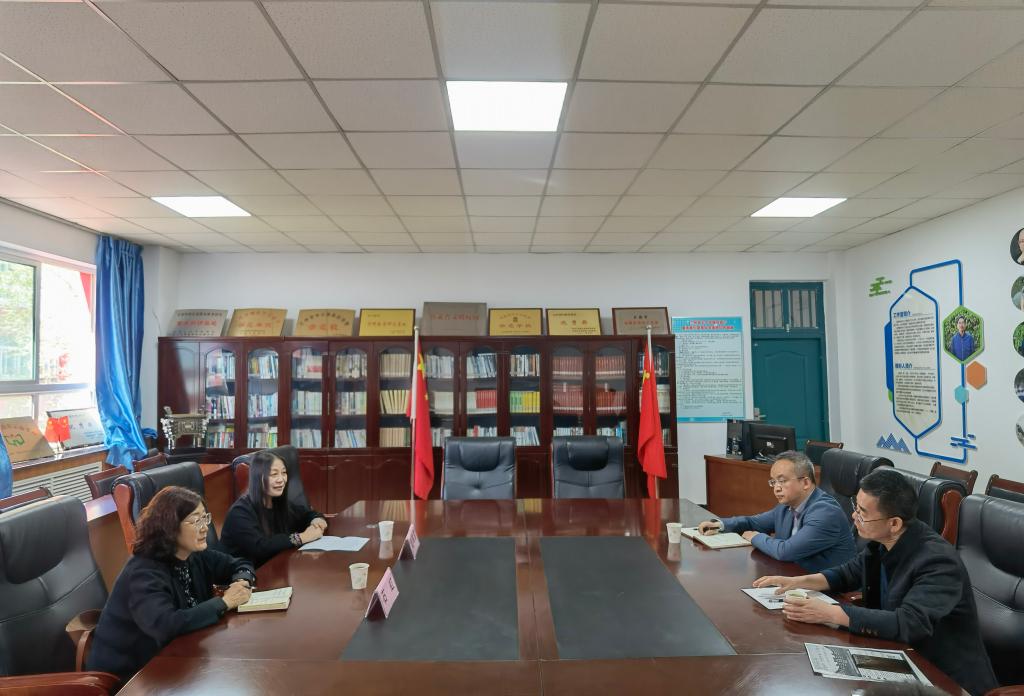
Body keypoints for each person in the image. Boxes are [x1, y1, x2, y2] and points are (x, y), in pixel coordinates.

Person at [752, 468, 998, 696]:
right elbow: (848, 573)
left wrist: (829, 613)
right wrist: (797, 582)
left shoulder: (937, 561)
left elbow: (910, 623)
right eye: (856, 507)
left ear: (894, 523)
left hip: (945, 680)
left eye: (863, 512)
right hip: (899, 655)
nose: (854, 516)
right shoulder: (885, 542)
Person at [86, 486, 255, 683]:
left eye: (205, 518)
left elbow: (240, 563)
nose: (204, 528)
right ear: (170, 527)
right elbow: (166, 625)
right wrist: (224, 602)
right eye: (196, 521)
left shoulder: (194, 554)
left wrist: (241, 582)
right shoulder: (143, 572)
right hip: (132, 675)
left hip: (178, 658)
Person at [697, 450, 856, 572]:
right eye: (773, 482)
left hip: (830, 592)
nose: (776, 488)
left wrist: (755, 537)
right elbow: (753, 522)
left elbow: (786, 551)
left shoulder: (825, 512)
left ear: (806, 483)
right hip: (793, 577)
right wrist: (720, 525)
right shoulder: (786, 506)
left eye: (782, 481)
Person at [220, 450, 328, 567]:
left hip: (272, 568)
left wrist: (317, 520)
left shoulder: (277, 501)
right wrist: (302, 537)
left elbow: (305, 514)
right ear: (258, 478)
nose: (281, 479)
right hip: (241, 574)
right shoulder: (240, 511)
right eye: (274, 474)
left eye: (284, 473)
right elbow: (260, 547)